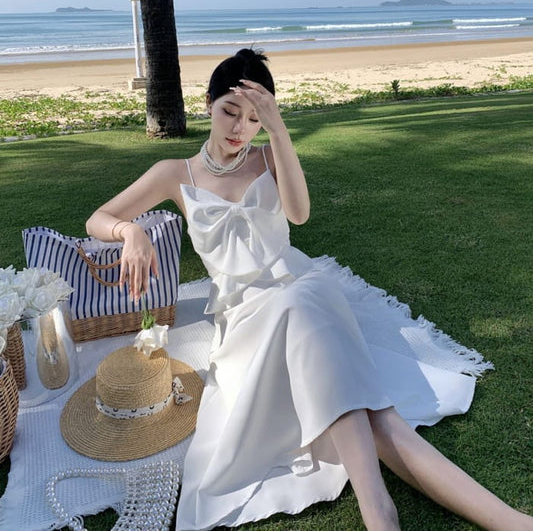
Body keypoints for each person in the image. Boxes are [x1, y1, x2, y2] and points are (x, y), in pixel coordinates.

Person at [86, 49, 532, 531]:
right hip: (245, 314)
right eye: (230, 111)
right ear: (208, 103)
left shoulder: (268, 156)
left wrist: (278, 133)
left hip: (303, 286)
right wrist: (130, 231)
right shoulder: (176, 173)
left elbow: (298, 214)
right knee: (374, 414)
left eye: (255, 118)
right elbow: (98, 219)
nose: (239, 128)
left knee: (305, 313)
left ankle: (388, 511)